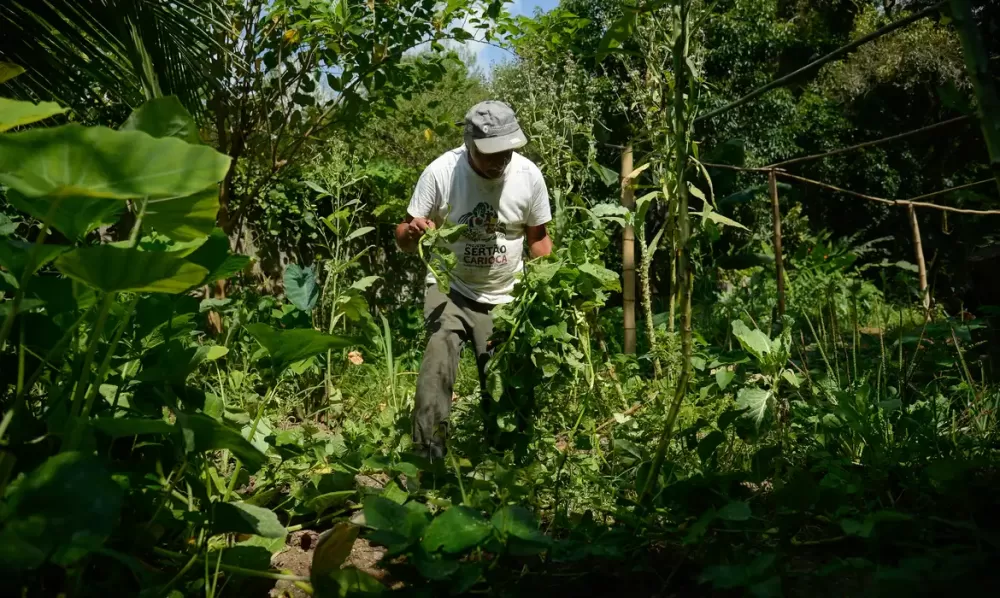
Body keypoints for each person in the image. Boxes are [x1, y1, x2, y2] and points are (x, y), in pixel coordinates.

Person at [394, 100, 553, 461]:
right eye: (491, 153)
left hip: (506, 293)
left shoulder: (528, 177)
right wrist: (412, 233)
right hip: (450, 287)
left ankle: (504, 463)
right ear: (469, 144)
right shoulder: (440, 173)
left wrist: (551, 290)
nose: (501, 159)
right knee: (437, 363)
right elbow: (403, 236)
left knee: (502, 382)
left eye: (508, 150)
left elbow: (538, 239)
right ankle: (427, 458)